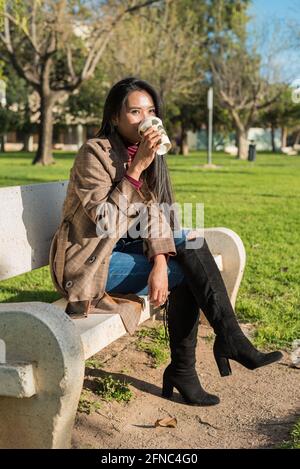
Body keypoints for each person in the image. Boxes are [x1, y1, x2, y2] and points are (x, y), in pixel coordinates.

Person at [49, 77, 283, 407]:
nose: (144, 118)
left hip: (123, 250)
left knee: (191, 245)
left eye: (150, 111)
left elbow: (156, 215)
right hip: (88, 263)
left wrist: (160, 261)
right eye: (134, 111)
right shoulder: (94, 154)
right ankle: (202, 358)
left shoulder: (142, 153)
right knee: (189, 268)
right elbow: (105, 222)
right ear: (115, 117)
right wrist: (138, 166)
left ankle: (215, 348)